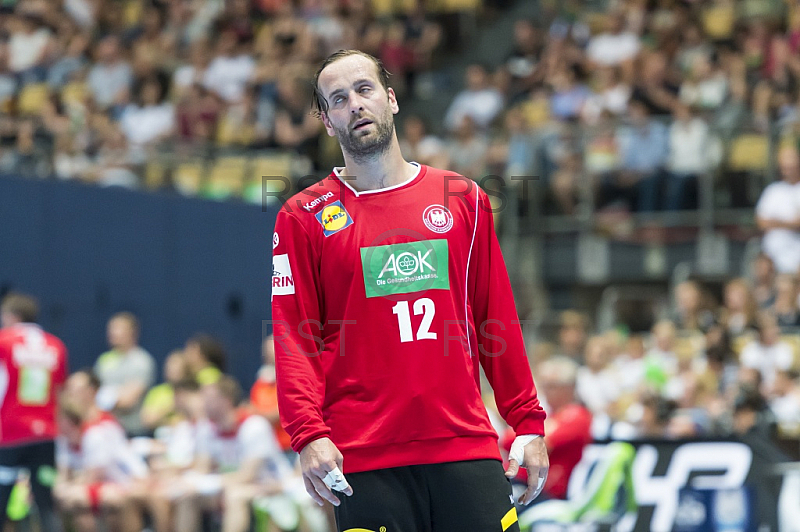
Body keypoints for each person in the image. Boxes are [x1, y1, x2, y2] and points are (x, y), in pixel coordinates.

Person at [271, 49, 548, 532]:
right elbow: (295, 337)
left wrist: (526, 420)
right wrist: (307, 435)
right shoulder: (303, 216)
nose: (354, 104)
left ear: (392, 99)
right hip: (364, 460)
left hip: (463, 446)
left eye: (364, 89)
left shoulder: (463, 199)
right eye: (338, 99)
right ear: (327, 122)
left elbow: (495, 319)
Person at [0, 293, 68, 532]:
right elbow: (59, 392)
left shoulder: (4, 341)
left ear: (11, 316)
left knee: (2, 503)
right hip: (45, 437)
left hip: (10, 435)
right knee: (45, 504)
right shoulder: (56, 346)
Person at [94, 312, 156, 436]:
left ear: (133, 332)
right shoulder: (104, 360)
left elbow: (128, 401)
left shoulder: (141, 361)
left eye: (118, 328)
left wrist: (104, 397)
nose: (113, 332)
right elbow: (92, 394)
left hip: (132, 432)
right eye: (111, 328)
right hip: (106, 431)